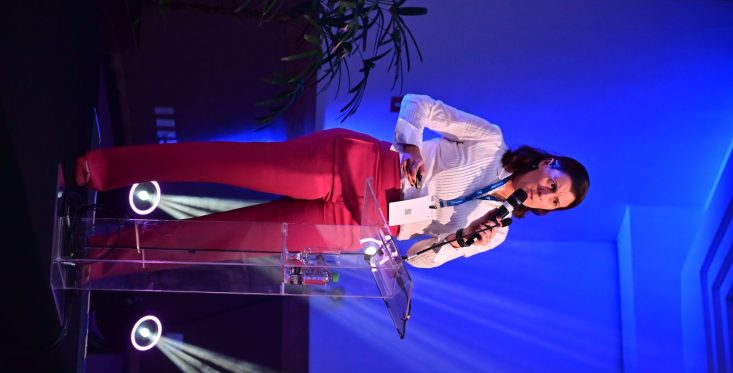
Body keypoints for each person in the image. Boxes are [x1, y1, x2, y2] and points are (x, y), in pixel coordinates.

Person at [75, 94, 589, 269]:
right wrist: (411, 143)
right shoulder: (490, 141)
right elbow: (419, 104)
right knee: (224, 165)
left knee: (223, 240)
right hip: (358, 167)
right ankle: (104, 169)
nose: (546, 193)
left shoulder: (494, 232)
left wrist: (459, 240)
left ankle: (98, 258)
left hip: (363, 225)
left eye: (554, 202)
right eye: (554, 182)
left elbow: (418, 259)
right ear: (547, 163)